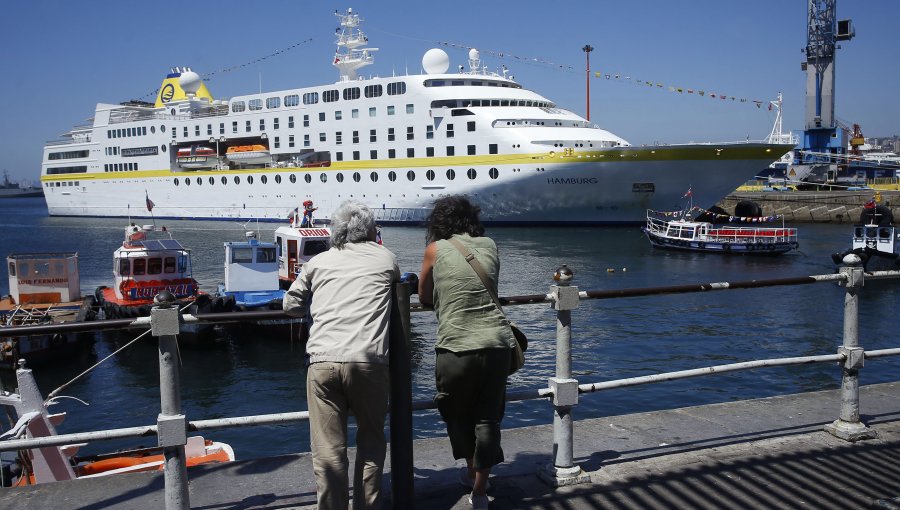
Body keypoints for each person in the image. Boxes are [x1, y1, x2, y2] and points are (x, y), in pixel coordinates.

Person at [283, 200, 400, 510]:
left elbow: (290, 306)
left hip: (322, 361)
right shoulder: (387, 259)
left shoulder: (318, 263)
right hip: (369, 362)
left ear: (336, 231)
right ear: (372, 230)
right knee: (371, 442)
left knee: (328, 452)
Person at [417, 195, 514, 509]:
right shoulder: (491, 245)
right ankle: (481, 490)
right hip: (497, 345)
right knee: (488, 418)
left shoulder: (435, 250)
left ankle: (471, 470)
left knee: (456, 413)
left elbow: (424, 296)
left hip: (456, 345)